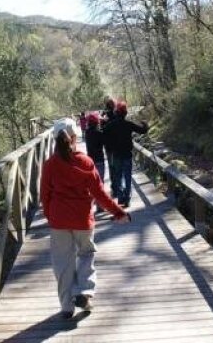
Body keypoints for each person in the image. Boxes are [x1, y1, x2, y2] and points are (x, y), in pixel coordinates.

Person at [40, 118, 130, 319]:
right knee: (86, 254)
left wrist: (50, 217)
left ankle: (66, 306)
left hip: (59, 221)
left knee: (63, 263)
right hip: (82, 220)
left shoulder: (49, 165)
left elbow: (44, 196)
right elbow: (100, 194)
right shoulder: (86, 162)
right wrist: (118, 212)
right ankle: (85, 292)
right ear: (74, 138)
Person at [102, 101, 148, 207]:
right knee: (127, 177)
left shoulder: (111, 125)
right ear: (125, 113)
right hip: (127, 155)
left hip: (116, 155)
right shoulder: (128, 124)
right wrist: (145, 123)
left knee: (118, 176)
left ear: (117, 113)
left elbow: (103, 133)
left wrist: (103, 122)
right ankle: (127, 198)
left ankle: (121, 196)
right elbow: (143, 130)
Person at [85, 112, 106, 212]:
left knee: (92, 184)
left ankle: (88, 206)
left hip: (90, 161)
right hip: (99, 160)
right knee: (100, 183)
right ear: (96, 122)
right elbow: (104, 142)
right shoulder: (99, 133)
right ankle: (100, 206)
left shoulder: (87, 133)